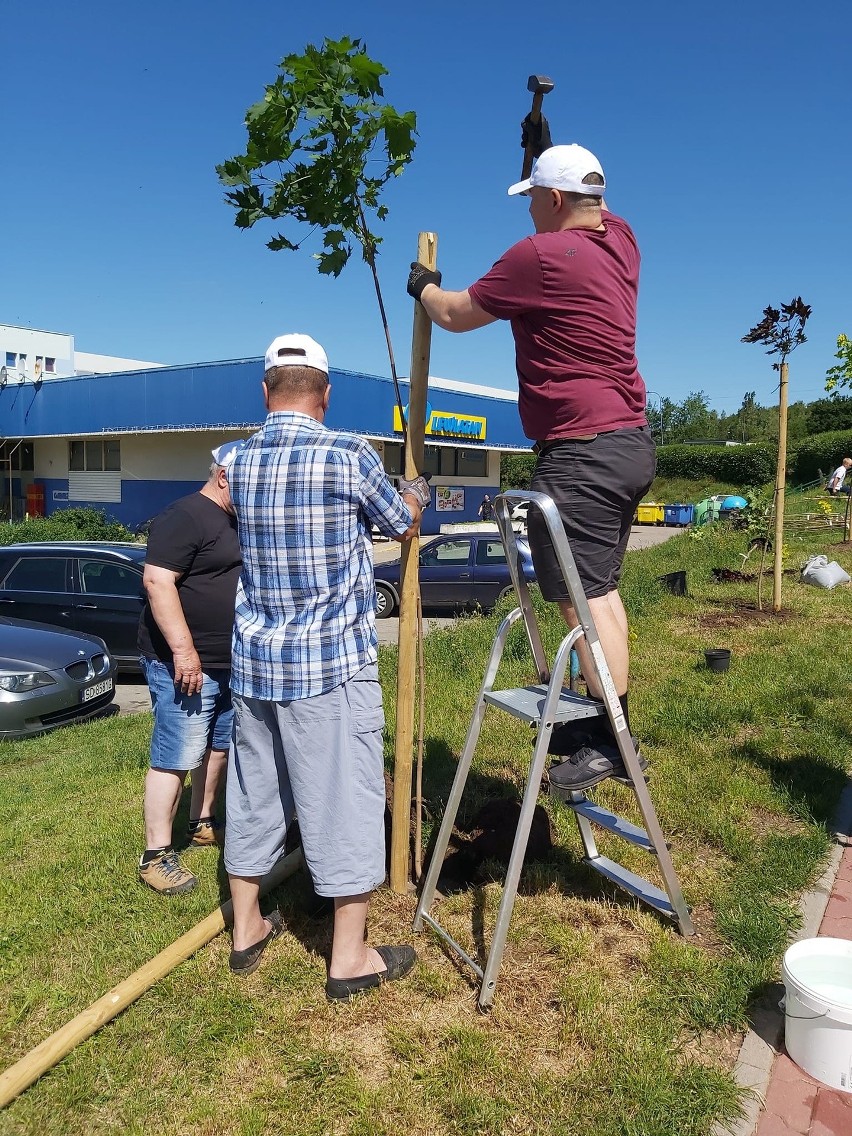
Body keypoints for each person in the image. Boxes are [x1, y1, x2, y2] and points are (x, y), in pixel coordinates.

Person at [407, 144, 655, 792]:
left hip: (582, 451)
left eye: (534, 205)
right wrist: (541, 144)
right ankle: (602, 726)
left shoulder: (539, 257)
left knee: (586, 601)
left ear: (551, 201)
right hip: (627, 443)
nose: (530, 220)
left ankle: (610, 742)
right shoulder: (621, 241)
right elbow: (586, 202)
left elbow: (457, 315)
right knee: (601, 593)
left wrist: (424, 286)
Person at [224, 333, 431, 997]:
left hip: (256, 663)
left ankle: (246, 928)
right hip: (328, 667)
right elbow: (402, 522)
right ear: (325, 393)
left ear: (265, 391)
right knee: (344, 798)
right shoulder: (348, 455)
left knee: (255, 792)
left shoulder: (236, 459)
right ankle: (349, 959)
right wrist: (417, 491)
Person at [137, 441, 244, 894]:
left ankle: (203, 821)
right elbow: (157, 582)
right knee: (176, 755)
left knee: (218, 747)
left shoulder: (232, 519)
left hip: (227, 662)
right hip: (183, 664)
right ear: (222, 476)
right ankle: (156, 855)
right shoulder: (184, 515)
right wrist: (184, 652)